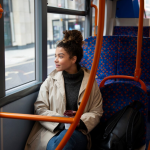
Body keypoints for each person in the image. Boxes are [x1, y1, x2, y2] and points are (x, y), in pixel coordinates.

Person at [24, 30, 103, 150]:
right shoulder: (50, 80)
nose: (55, 60)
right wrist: (61, 122)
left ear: (73, 59)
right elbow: (40, 108)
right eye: (55, 56)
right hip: (51, 131)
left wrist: (78, 122)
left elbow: (97, 111)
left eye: (60, 56)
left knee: (65, 141)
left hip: (78, 131)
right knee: (59, 145)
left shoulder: (91, 82)